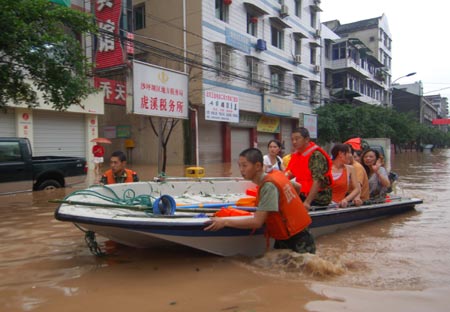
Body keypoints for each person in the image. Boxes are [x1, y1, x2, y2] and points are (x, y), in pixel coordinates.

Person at [204, 148, 316, 254]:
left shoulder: (268, 186)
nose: (241, 170)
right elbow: (297, 187)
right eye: (239, 166)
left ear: (257, 166)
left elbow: (257, 222)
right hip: (292, 233)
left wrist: (224, 222)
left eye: (245, 165)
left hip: (297, 239)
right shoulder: (276, 175)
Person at [285, 127, 333, 210]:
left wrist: (307, 202)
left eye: (297, 139)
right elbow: (292, 173)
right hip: (303, 193)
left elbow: (317, 181)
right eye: (292, 139)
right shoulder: (298, 154)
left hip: (318, 197)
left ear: (306, 139)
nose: (294, 142)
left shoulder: (316, 155)